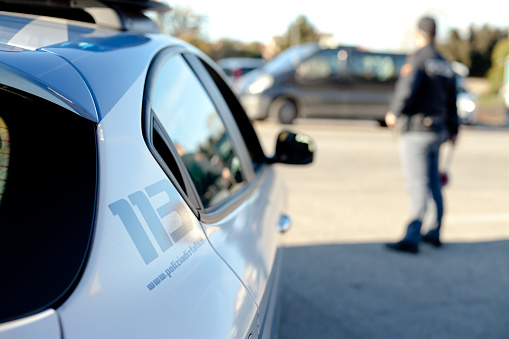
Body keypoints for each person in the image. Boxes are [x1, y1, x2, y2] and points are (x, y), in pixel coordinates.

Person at [385, 16, 459, 254]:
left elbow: (407, 88)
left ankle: (412, 237)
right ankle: (435, 231)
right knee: (434, 182)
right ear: (434, 34)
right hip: (438, 130)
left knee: (417, 183)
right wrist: (454, 129)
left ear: (419, 33)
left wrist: (394, 112)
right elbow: (452, 100)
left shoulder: (419, 60)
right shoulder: (444, 63)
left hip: (417, 131)